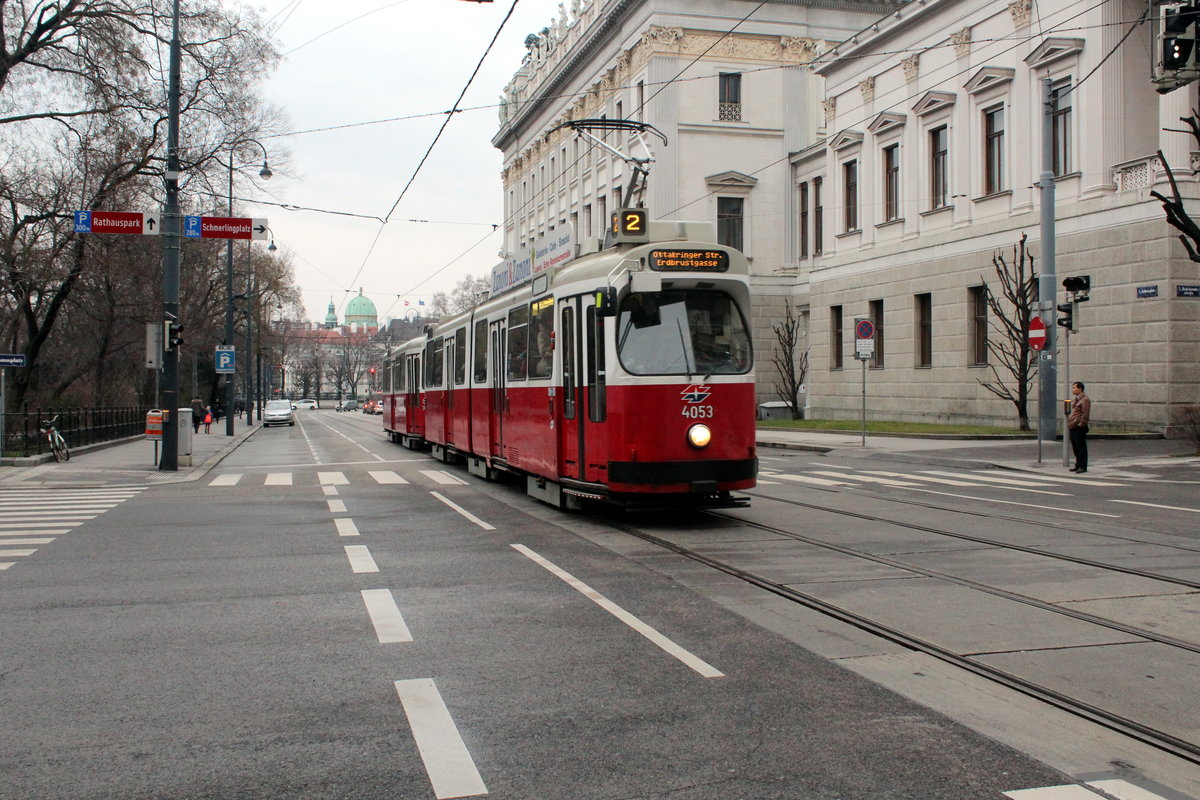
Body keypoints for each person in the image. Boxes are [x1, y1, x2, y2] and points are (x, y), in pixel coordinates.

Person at [1068, 381, 1090, 473]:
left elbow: (1085, 413)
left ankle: (1082, 466)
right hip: (1073, 425)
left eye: (1074, 387)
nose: (1072, 389)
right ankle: (1078, 464)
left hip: (1078, 426)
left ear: (1080, 388)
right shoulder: (1076, 399)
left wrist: (1081, 424)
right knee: (1075, 447)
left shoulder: (1085, 399)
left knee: (1081, 447)